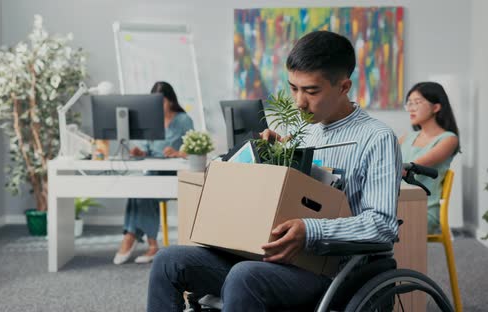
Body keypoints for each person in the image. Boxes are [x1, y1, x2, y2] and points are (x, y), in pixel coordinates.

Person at [147, 30, 403, 311]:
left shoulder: (377, 138)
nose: (299, 102)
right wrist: (265, 159)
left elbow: (382, 225)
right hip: (270, 256)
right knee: (168, 261)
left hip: (328, 270)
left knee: (244, 276)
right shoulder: (300, 131)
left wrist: (310, 230)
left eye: (311, 91)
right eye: (294, 88)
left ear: (344, 87)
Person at [113, 81, 194, 265]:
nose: (159, 107)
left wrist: (177, 153)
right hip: (154, 171)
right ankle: (142, 240)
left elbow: (194, 150)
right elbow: (147, 148)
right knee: (141, 185)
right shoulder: (151, 120)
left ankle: (135, 238)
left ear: (171, 101)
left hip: (174, 174)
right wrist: (139, 152)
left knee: (146, 186)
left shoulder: (183, 120)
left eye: (163, 102)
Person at [400, 82, 460, 234]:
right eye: (409, 103)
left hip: (423, 209)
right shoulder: (406, 138)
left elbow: (409, 167)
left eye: (417, 102)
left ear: (436, 107)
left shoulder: (448, 139)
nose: (411, 108)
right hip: (396, 203)